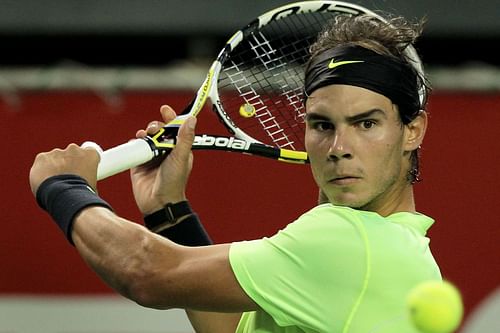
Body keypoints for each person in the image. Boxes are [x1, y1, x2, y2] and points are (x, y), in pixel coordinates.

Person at [29, 12, 441, 333]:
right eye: (322, 125)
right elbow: (230, 326)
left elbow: (145, 272)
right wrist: (168, 210)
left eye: (366, 123)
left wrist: (64, 186)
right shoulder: (400, 248)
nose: (338, 149)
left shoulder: (352, 241)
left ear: (413, 130)